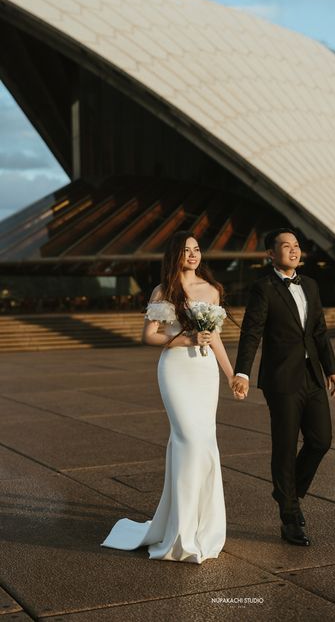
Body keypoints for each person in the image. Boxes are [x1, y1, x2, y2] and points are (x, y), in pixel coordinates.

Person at [101, 231, 238, 564]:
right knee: (188, 439)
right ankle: (179, 531)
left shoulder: (213, 290)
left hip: (205, 373)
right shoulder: (164, 291)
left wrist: (232, 375)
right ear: (175, 255)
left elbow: (215, 338)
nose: (193, 254)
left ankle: (203, 526)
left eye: (197, 249)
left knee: (204, 442)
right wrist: (187, 338)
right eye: (186, 250)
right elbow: (149, 336)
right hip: (175, 371)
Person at [232, 228, 335, 546]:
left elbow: (319, 330)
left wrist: (331, 369)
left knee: (321, 440)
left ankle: (287, 492)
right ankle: (290, 516)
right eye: (285, 246)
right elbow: (251, 332)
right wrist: (243, 373)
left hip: (312, 375)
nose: (294, 250)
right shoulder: (263, 288)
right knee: (285, 445)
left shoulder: (310, 284)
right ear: (271, 253)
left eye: (296, 245)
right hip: (281, 379)